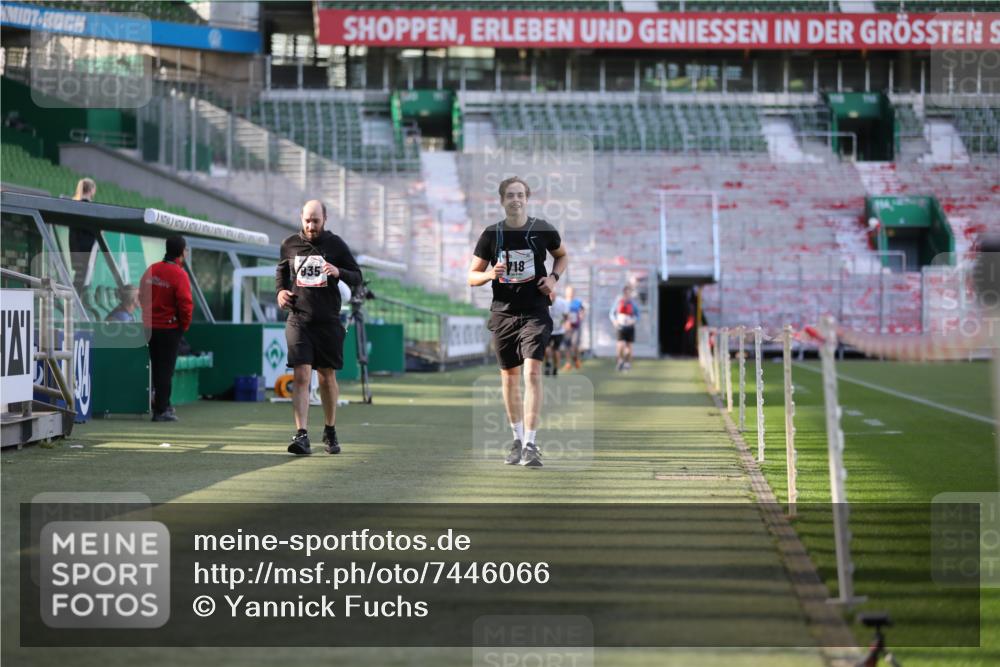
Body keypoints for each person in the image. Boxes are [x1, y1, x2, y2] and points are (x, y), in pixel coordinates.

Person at [468, 176, 569, 468]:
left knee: (532, 372)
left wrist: (553, 279)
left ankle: (531, 444)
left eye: (520, 195)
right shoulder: (491, 234)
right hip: (503, 313)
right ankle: (517, 439)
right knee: (509, 377)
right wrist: (490, 274)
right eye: (510, 195)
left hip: (536, 311)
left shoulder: (542, 229)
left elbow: (562, 256)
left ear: (527, 199)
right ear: (502, 200)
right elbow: (472, 276)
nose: (516, 199)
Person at [276, 199, 362, 456]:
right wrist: (280, 291)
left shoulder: (336, 245)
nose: (311, 226)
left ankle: (330, 429)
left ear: (325, 219)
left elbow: (357, 276)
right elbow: (281, 272)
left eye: (316, 221)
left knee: (326, 376)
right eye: (307, 221)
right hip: (298, 319)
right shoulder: (289, 244)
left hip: (328, 321)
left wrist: (338, 271)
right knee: (301, 374)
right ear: (301, 218)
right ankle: (301, 435)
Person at [140, 235, 193, 422]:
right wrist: (183, 326)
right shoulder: (179, 274)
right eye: (186, 249)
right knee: (165, 371)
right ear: (181, 252)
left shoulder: (152, 269)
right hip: (169, 328)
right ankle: (161, 410)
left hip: (149, 327)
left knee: (156, 367)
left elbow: (141, 295)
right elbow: (186, 305)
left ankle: (163, 404)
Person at [69, 178, 98, 294]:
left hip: (75, 247)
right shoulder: (91, 208)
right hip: (86, 250)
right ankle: (74, 300)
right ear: (91, 190)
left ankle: (74, 299)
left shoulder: (73, 205)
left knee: (79, 277)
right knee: (82, 280)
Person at [610, 285, 640, 372]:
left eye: (629, 293)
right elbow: (612, 313)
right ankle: (619, 361)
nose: (628, 295)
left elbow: (638, 315)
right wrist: (614, 321)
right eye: (626, 293)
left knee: (628, 346)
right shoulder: (618, 302)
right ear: (624, 293)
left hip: (629, 327)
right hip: (620, 326)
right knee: (620, 344)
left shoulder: (633, 304)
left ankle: (627, 363)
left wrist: (634, 320)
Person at [561, 285, 586, 371]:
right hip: (566, 328)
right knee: (567, 345)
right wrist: (565, 322)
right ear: (566, 293)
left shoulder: (578, 302)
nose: (570, 293)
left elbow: (582, 310)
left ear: (573, 293)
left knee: (575, 344)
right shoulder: (563, 302)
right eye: (568, 292)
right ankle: (568, 363)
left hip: (576, 327)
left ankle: (576, 359)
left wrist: (582, 315)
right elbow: (560, 314)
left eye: (571, 292)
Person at [545, 290, 569, 376]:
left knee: (556, 349)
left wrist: (562, 323)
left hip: (558, 330)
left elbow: (566, 316)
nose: (551, 296)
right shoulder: (545, 301)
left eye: (553, 294)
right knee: (547, 348)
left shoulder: (562, 302)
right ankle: (548, 364)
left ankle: (555, 368)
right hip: (548, 330)